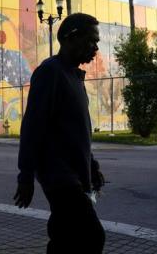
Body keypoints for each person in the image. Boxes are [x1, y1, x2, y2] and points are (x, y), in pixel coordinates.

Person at [13, 13, 106, 253]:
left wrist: (92, 166)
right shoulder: (50, 72)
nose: (95, 47)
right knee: (92, 236)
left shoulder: (74, 76)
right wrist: (25, 175)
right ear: (70, 38)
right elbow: (33, 126)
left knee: (65, 238)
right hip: (59, 175)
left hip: (73, 173)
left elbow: (74, 132)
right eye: (91, 40)